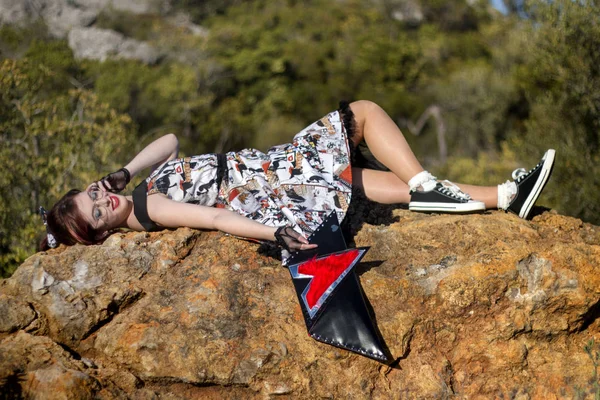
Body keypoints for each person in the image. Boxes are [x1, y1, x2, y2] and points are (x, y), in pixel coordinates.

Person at [40, 101, 555, 260]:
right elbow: (215, 217)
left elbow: (171, 139)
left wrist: (126, 170)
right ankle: (428, 181)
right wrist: (273, 234)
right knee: (362, 115)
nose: (103, 197)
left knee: (359, 180)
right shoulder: (151, 210)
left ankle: (506, 197)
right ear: (105, 232)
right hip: (272, 180)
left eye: (93, 192)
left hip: (274, 173)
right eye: (99, 211)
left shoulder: (137, 189)